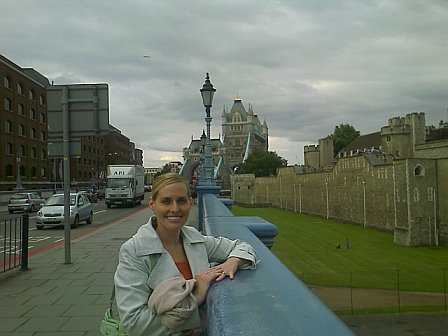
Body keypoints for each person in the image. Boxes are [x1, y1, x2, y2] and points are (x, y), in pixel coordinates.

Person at [114, 173, 258, 336]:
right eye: (166, 201)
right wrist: (195, 298)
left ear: (190, 202)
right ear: (152, 204)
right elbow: (134, 323)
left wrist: (233, 262)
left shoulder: (195, 239)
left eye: (181, 200)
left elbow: (243, 246)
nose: (175, 208)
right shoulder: (134, 251)